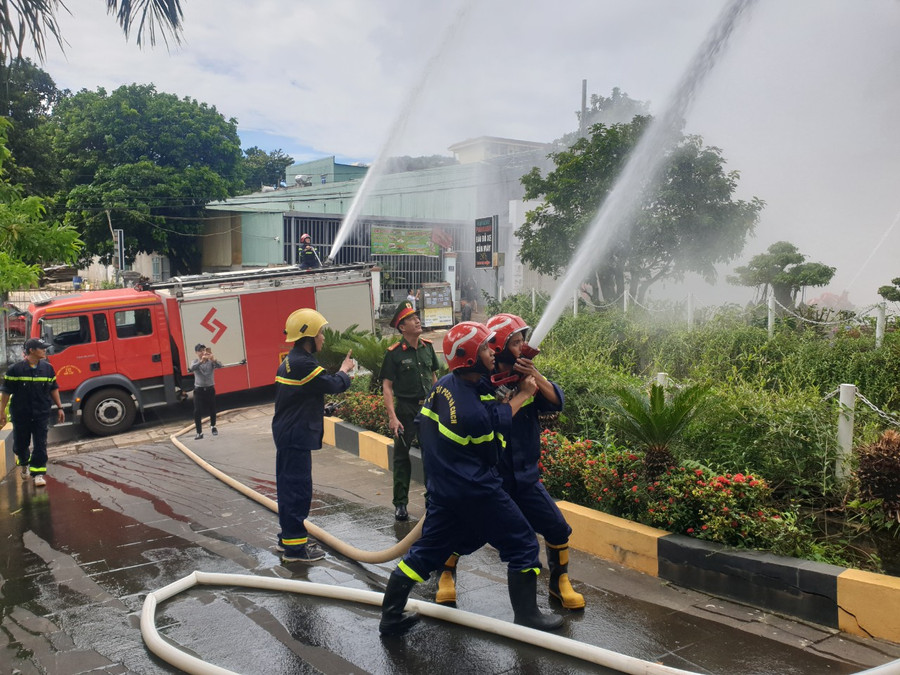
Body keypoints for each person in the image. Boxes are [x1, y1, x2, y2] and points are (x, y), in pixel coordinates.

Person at [379, 321, 563, 635]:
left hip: (445, 490)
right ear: (468, 356)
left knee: (423, 554)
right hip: (477, 488)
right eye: (485, 347)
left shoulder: (447, 384)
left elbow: (487, 392)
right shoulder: (470, 410)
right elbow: (494, 431)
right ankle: (527, 617)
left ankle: (391, 618)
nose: (493, 351)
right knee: (522, 543)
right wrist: (523, 395)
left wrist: (516, 378)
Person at [434, 313, 585, 611]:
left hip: (526, 477)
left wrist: (535, 377)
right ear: (499, 347)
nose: (522, 346)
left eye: (523, 341)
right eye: (515, 342)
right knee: (468, 533)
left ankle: (560, 582)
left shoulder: (528, 378)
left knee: (556, 527)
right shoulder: (480, 382)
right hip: (493, 479)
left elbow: (557, 401)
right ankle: (446, 573)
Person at [272, 307, 355, 563]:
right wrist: (346, 370)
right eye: (320, 333)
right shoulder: (303, 363)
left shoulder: (291, 360)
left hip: (289, 433)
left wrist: (321, 409)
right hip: (295, 436)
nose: (323, 338)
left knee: (290, 488)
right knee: (298, 490)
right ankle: (296, 551)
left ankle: (288, 539)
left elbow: (299, 397)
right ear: (308, 336)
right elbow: (333, 384)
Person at [380, 301, 440, 521]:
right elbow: (387, 386)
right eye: (411, 319)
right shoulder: (394, 354)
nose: (417, 320)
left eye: (417, 317)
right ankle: (401, 504)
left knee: (431, 455)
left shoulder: (428, 347)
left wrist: (439, 406)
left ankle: (432, 500)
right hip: (405, 408)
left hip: (427, 408)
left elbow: (434, 378)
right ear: (402, 327)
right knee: (402, 457)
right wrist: (392, 417)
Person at [0, 338, 65, 488]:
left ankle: (38, 474)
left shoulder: (48, 369)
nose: (45, 350)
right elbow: (6, 392)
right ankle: (23, 462)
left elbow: (53, 388)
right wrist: (1, 412)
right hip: (21, 414)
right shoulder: (15, 369)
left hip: (41, 413)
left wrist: (60, 407)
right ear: (31, 351)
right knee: (21, 444)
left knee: (40, 444)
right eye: (42, 348)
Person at [189, 344, 223, 440]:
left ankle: (213, 426)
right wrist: (201, 361)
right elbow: (192, 368)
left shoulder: (210, 362)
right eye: (200, 351)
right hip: (199, 390)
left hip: (210, 389)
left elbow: (220, 366)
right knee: (197, 411)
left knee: (212, 408)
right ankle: (199, 432)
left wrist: (213, 359)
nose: (202, 352)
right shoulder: (195, 362)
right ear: (196, 353)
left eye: (203, 350)